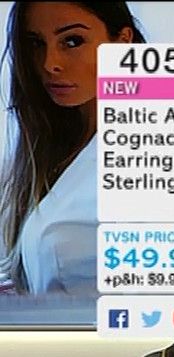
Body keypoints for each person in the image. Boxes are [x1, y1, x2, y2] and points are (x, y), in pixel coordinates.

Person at [0, 2, 144, 296]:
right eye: (36, 44)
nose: (49, 64)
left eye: (72, 41)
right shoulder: (44, 153)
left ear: (121, 42)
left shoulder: (153, 154)